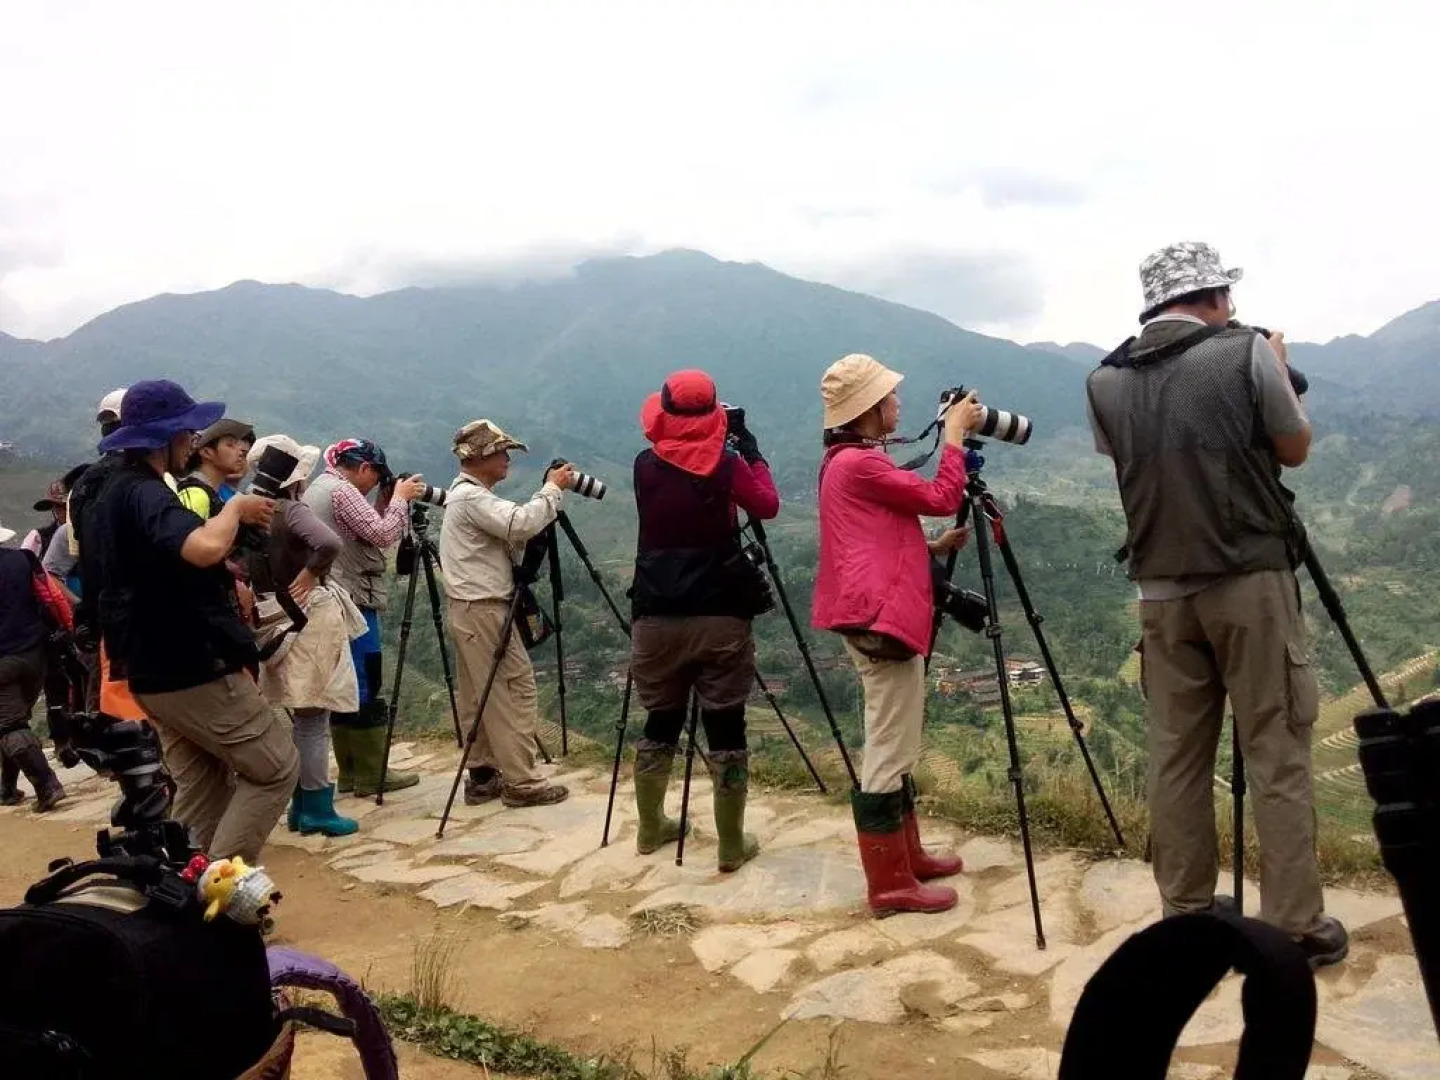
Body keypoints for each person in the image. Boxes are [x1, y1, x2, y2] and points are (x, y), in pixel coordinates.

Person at [1086, 241, 1348, 968]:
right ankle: (1297, 925)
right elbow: (1292, 449)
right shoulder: (1243, 354)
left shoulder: (1105, 379)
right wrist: (1275, 367)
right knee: (1276, 748)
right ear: (1216, 298)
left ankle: (1186, 914)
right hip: (1250, 581)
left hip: (1161, 596)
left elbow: (1127, 457)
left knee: (1176, 756)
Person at [82, 379, 298, 862]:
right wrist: (238, 509)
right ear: (168, 438)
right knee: (277, 769)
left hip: (147, 670)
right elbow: (201, 549)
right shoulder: (144, 493)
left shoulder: (110, 493)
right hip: (190, 666)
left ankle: (181, 897)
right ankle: (218, 900)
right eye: (188, 434)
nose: (193, 442)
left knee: (203, 785)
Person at [812, 353, 982, 916]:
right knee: (889, 746)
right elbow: (939, 497)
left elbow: (868, 537)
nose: (898, 404)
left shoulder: (846, 462)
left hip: (869, 610)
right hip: (877, 619)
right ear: (867, 409)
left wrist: (928, 549)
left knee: (898, 738)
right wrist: (954, 436)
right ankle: (888, 884)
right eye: (889, 396)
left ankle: (908, 858)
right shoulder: (858, 465)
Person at [626, 371, 780, 871]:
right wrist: (750, 452)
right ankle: (731, 843)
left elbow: (675, 463)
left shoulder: (643, 467)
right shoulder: (729, 466)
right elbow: (769, 505)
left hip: (655, 614)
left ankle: (651, 827)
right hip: (720, 613)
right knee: (726, 724)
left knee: (660, 720)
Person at [439, 420, 573, 808]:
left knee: (478, 695)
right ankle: (522, 782)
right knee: (513, 690)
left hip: (469, 609)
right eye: (501, 453)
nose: (507, 461)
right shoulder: (471, 498)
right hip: (483, 609)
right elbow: (520, 524)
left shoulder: (464, 496)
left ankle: (483, 776)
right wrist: (552, 490)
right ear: (480, 457)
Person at [246, 434, 361, 838]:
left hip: (269, 615)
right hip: (306, 618)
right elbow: (329, 542)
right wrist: (311, 573)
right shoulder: (290, 510)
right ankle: (316, 807)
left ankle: (299, 805)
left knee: (297, 716)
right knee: (314, 718)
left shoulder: (251, 513)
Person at [303, 439, 426, 796]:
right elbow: (384, 533)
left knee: (346, 683)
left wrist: (388, 500)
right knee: (365, 680)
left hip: (332, 596)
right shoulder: (343, 491)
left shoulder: (320, 488)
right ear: (364, 468)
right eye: (377, 477)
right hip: (353, 598)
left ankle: (352, 772)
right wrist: (401, 498)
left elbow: (365, 525)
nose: (375, 484)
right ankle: (373, 774)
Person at [0, 517, 68, 811]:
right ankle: (7, 788)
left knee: (9, 724)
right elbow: (50, 597)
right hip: (34, 654)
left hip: (2, 662)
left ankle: (47, 785)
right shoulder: (24, 559)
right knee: (14, 719)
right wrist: (69, 628)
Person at [178, 418, 256, 518]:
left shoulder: (213, 495)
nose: (240, 453)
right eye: (230, 445)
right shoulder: (196, 496)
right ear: (206, 452)